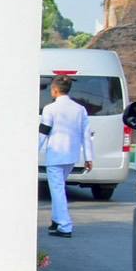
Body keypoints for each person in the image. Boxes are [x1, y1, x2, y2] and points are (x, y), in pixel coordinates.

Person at [40, 73, 93, 238]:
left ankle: (64, 225)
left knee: (57, 191)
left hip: (55, 155)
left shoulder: (50, 109)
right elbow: (86, 134)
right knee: (59, 188)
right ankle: (56, 221)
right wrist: (89, 157)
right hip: (71, 156)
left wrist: (31, 152)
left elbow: (43, 133)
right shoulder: (80, 109)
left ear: (55, 90)